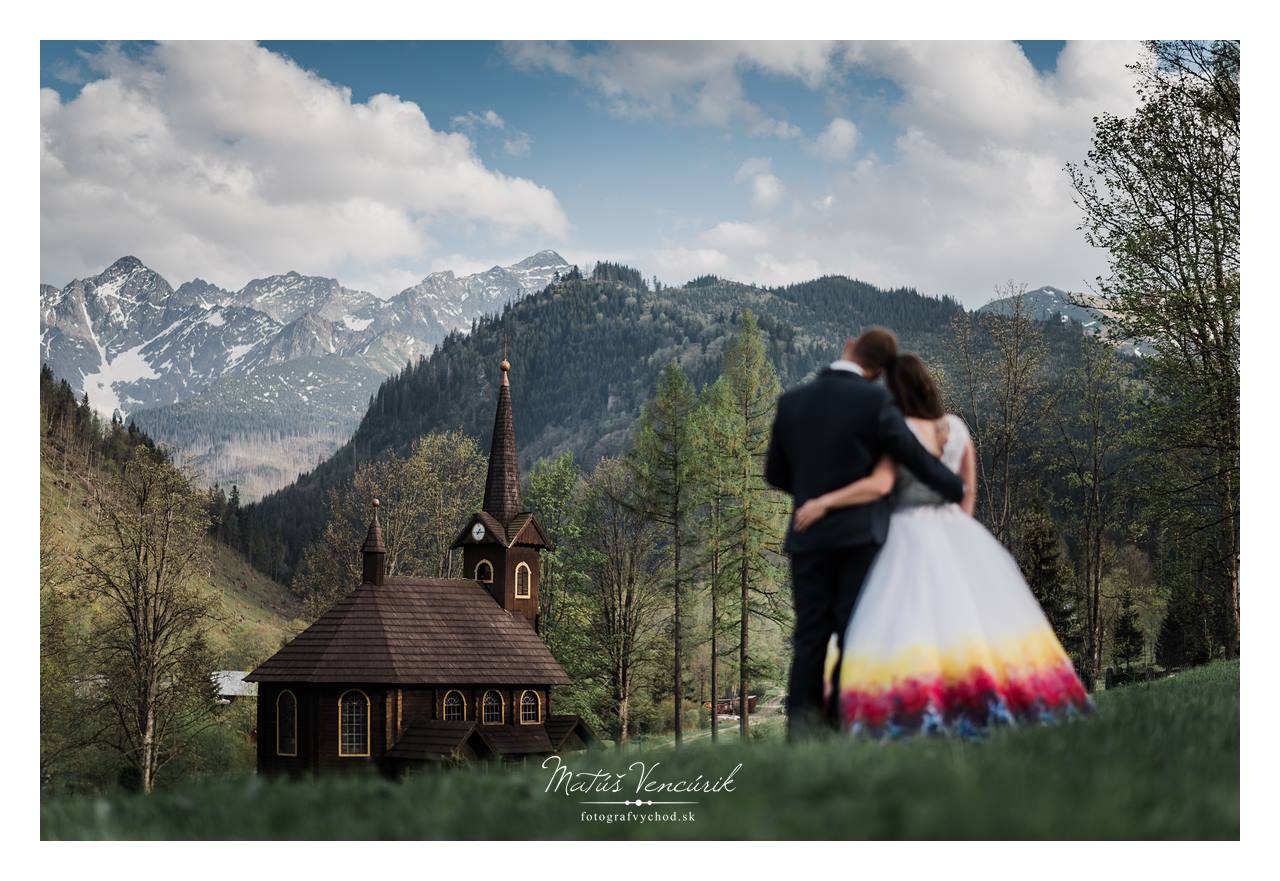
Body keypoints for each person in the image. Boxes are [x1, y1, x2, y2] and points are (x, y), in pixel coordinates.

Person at [794, 353, 1092, 738]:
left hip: (902, 532)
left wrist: (825, 502)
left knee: (901, 620)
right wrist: (956, 534)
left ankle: (912, 705)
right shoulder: (956, 428)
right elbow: (967, 492)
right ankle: (980, 695)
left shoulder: (894, 430)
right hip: (955, 530)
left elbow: (881, 486)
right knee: (969, 619)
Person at [764, 328, 965, 739]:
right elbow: (912, 456)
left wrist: (810, 497)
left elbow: (774, 473)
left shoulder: (791, 401)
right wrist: (954, 487)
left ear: (847, 346)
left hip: (809, 534)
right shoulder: (876, 401)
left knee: (810, 635)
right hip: (860, 536)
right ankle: (839, 722)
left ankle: (800, 733)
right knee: (851, 631)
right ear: (876, 371)